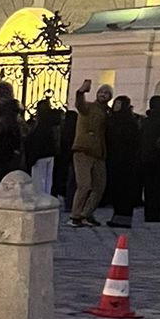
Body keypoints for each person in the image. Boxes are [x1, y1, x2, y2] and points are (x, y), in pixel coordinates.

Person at [70, 79, 113, 227]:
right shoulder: (89, 107)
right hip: (83, 150)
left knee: (99, 186)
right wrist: (81, 91)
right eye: (101, 92)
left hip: (99, 153)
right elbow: (79, 105)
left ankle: (86, 214)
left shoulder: (108, 112)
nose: (104, 95)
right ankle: (75, 216)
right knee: (84, 184)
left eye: (107, 93)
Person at [104, 93, 142, 228]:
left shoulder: (129, 122)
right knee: (116, 190)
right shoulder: (113, 119)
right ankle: (116, 216)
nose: (116, 107)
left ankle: (124, 218)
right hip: (114, 160)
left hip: (126, 162)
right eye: (116, 104)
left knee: (124, 190)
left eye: (119, 104)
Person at [24, 96, 60, 195]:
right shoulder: (53, 122)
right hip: (51, 154)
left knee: (38, 182)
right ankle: (46, 199)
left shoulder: (40, 125)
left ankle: (40, 200)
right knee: (48, 181)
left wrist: (31, 159)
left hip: (39, 156)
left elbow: (36, 142)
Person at [142, 94, 160, 223]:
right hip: (157, 158)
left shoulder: (146, 121)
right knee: (157, 188)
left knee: (149, 188)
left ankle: (149, 213)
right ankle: (155, 213)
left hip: (146, 159)